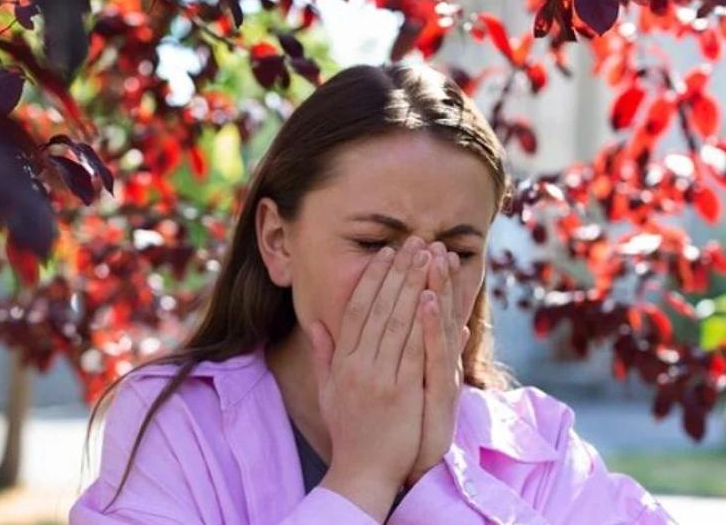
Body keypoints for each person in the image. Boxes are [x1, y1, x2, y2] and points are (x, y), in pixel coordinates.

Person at [70, 63, 674, 524]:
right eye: (373, 242)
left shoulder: (534, 445)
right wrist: (363, 476)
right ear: (279, 241)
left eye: (460, 252)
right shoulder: (175, 425)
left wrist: (433, 482)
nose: (422, 280)